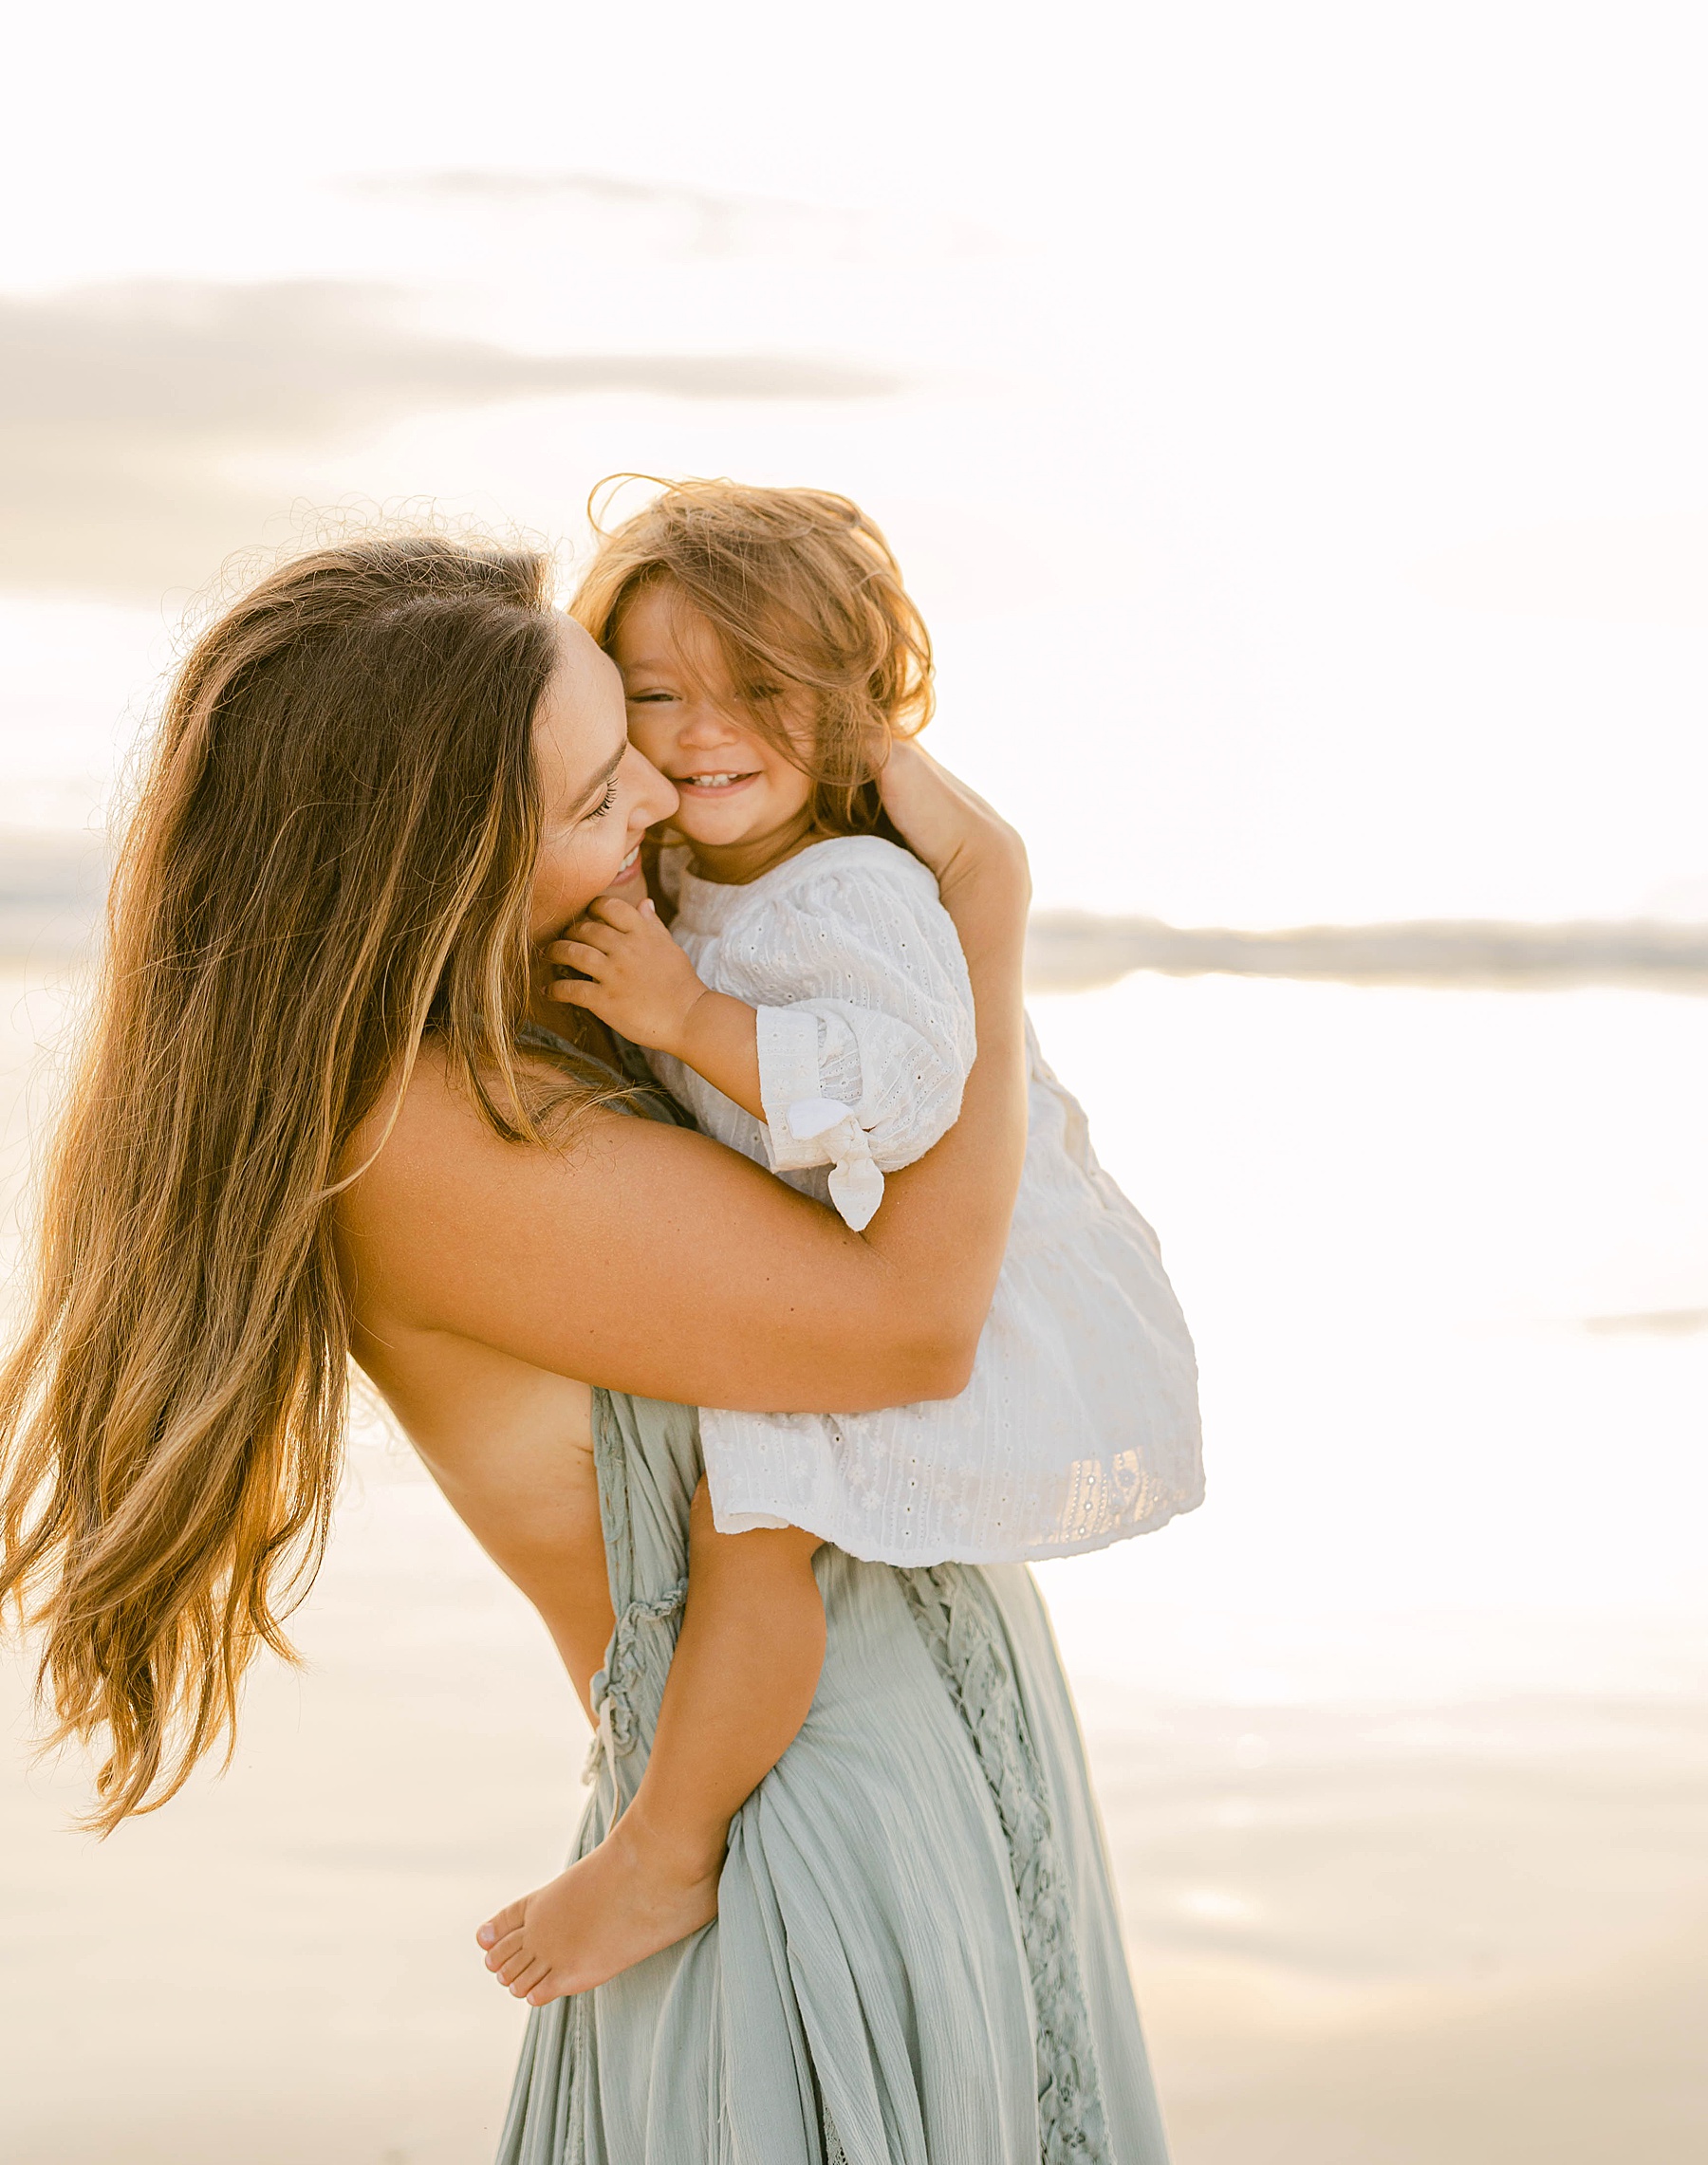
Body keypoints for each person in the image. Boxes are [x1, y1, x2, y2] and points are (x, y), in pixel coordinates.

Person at [0, 529, 1174, 2163]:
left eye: (632, 749)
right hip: (788, 1850)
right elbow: (914, 1330)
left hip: (923, 1782)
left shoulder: (566, 1013)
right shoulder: (417, 1136)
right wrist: (986, 909)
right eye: (595, 788)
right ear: (432, 865)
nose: (656, 803)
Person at [477, 478, 1203, 2012]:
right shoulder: (681, 869)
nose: (698, 733)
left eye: (763, 693)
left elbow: (911, 1082)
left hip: (883, 1258)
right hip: (792, 1259)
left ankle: (669, 1850)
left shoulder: (858, 891)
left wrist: (688, 1015)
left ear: (858, 719)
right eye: (657, 694)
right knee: (746, 1527)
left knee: (761, 1540)